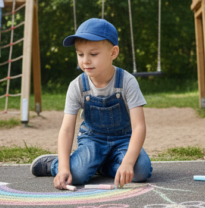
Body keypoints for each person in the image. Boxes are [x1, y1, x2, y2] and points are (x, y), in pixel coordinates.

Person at [30, 18, 152, 188]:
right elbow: (66, 129)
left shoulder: (127, 82)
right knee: (76, 175)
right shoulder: (77, 86)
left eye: (93, 54)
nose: (85, 60)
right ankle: (56, 164)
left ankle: (98, 165)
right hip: (93, 140)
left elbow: (139, 127)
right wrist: (64, 168)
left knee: (140, 172)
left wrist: (128, 163)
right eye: (80, 54)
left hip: (123, 140)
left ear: (113, 53)